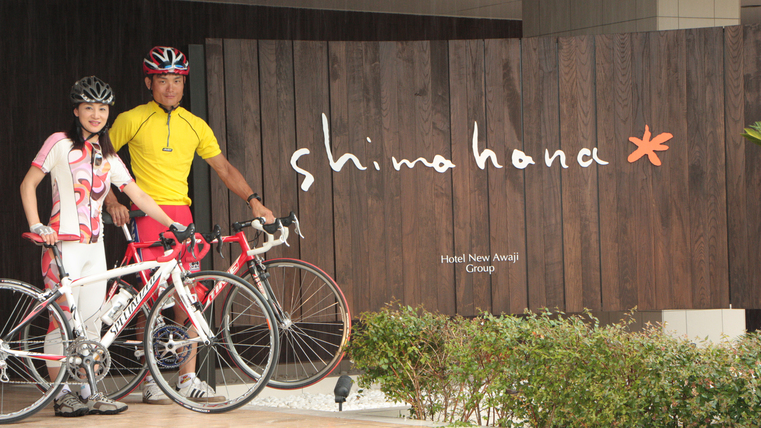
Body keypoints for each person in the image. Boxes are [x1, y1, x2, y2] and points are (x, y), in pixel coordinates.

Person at [104, 46, 274, 405]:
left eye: (177, 80)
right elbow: (100, 161)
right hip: (145, 216)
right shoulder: (131, 118)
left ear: (184, 83)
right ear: (149, 82)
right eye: (163, 80)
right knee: (151, 297)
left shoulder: (194, 125)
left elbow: (224, 169)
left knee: (190, 294)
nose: (170, 87)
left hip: (182, 216)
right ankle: (151, 378)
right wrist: (112, 201)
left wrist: (254, 200)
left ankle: (187, 377)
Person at [20, 76, 184, 417]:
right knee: (61, 321)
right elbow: (29, 183)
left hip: (96, 248)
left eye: (102, 108)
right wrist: (37, 225)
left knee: (92, 326)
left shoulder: (106, 153)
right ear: (76, 110)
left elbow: (135, 193)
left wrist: (172, 224)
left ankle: (87, 391)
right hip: (62, 247)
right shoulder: (59, 143)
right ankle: (61, 393)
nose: (96, 114)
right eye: (89, 107)